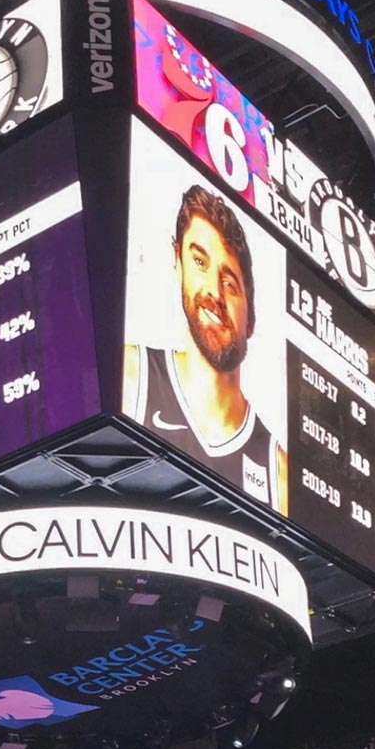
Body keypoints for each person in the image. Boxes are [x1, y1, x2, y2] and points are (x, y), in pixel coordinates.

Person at [123, 183, 288, 514]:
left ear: (251, 318)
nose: (213, 290)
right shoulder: (128, 377)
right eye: (199, 261)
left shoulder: (279, 475)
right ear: (178, 265)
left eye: (229, 282)